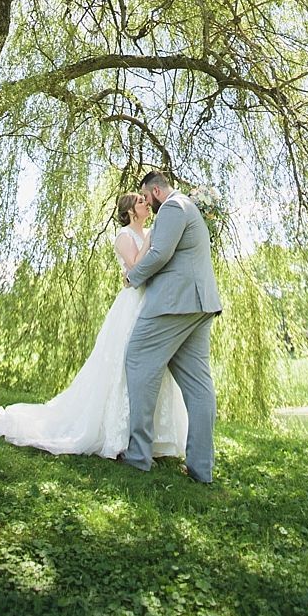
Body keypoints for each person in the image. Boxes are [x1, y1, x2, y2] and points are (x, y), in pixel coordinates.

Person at [0, 192, 187, 459]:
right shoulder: (124, 237)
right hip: (131, 305)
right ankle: (118, 434)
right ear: (130, 211)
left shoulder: (150, 232)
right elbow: (135, 270)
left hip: (151, 303)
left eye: (144, 200)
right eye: (140, 202)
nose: (146, 204)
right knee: (123, 363)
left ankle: (153, 438)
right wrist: (151, 240)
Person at [120, 170, 222, 483]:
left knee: (138, 360)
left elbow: (159, 253)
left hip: (174, 303)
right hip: (199, 303)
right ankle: (200, 469)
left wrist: (132, 277)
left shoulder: (174, 208)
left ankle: (138, 456)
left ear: (156, 191)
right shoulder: (188, 208)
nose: (148, 204)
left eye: (146, 196)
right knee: (198, 385)